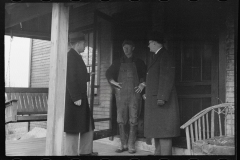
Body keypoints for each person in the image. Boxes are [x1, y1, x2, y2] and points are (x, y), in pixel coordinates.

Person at [106, 40, 147, 154]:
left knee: (133, 120)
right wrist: (114, 82)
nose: (126, 49)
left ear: (133, 48)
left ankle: (131, 145)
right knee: (121, 120)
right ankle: (123, 144)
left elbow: (146, 75)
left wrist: (142, 84)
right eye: (124, 48)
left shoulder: (139, 62)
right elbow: (108, 73)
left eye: (128, 47)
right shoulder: (117, 62)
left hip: (135, 95)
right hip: (121, 95)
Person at [143, 31, 180, 155]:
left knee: (164, 132)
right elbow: (155, 79)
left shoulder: (165, 55)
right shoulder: (158, 56)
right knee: (157, 131)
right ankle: (158, 154)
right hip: (155, 100)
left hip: (162, 101)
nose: (148, 46)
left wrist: (162, 97)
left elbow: (167, 77)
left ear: (154, 43)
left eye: (149, 43)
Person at [64, 31, 98, 156]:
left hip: (81, 97)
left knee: (88, 124)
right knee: (73, 127)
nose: (85, 45)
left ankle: (86, 152)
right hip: (75, 98)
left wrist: (89, 75)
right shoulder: (70, 56)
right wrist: (76, 97)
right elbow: (70, 78)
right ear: (77, 44)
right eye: (84, 43)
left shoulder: (76, 56)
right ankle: (70, 154)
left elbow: (78, 75)